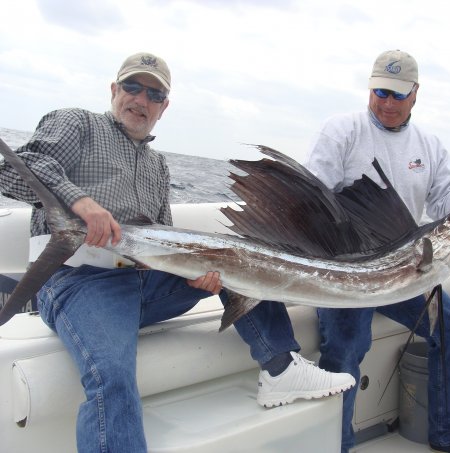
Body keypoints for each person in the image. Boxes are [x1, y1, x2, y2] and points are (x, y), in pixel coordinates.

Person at [0, 51, 354, 452]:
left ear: (164, 107)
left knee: (243, 265)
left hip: (142, 280)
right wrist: (79, 202)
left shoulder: (158, 166)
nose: (141, 99)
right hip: (81, 282)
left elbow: (164, 241)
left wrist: (195, 277)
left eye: (154, 94)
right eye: (132, 87)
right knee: (112, 378)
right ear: (114, 90)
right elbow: (15, 169)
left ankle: (280, 368)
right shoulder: (77, 123)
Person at [302, 50, 450, 453]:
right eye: (380, 92)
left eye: (398, 95)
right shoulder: (342, 131)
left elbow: (444, 204)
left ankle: (449, 436)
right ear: (369, 88)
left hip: (406, 271)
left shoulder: (428, 145)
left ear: (415, 94)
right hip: (348, 273)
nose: (388, 103)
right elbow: (311, 198)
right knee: (347, 346)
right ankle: (336, 444)